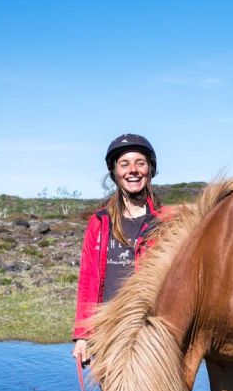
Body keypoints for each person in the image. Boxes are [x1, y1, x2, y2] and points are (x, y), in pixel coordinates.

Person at [71, 134, 165, 364]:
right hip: (109, 332)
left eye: (140, 163)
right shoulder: (99, 222)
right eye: (124, 164)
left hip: (152, 334)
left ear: (150, 170)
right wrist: (83, 336)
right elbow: (88, 280)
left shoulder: (165, 222)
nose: (133, 170)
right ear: (114, 172)